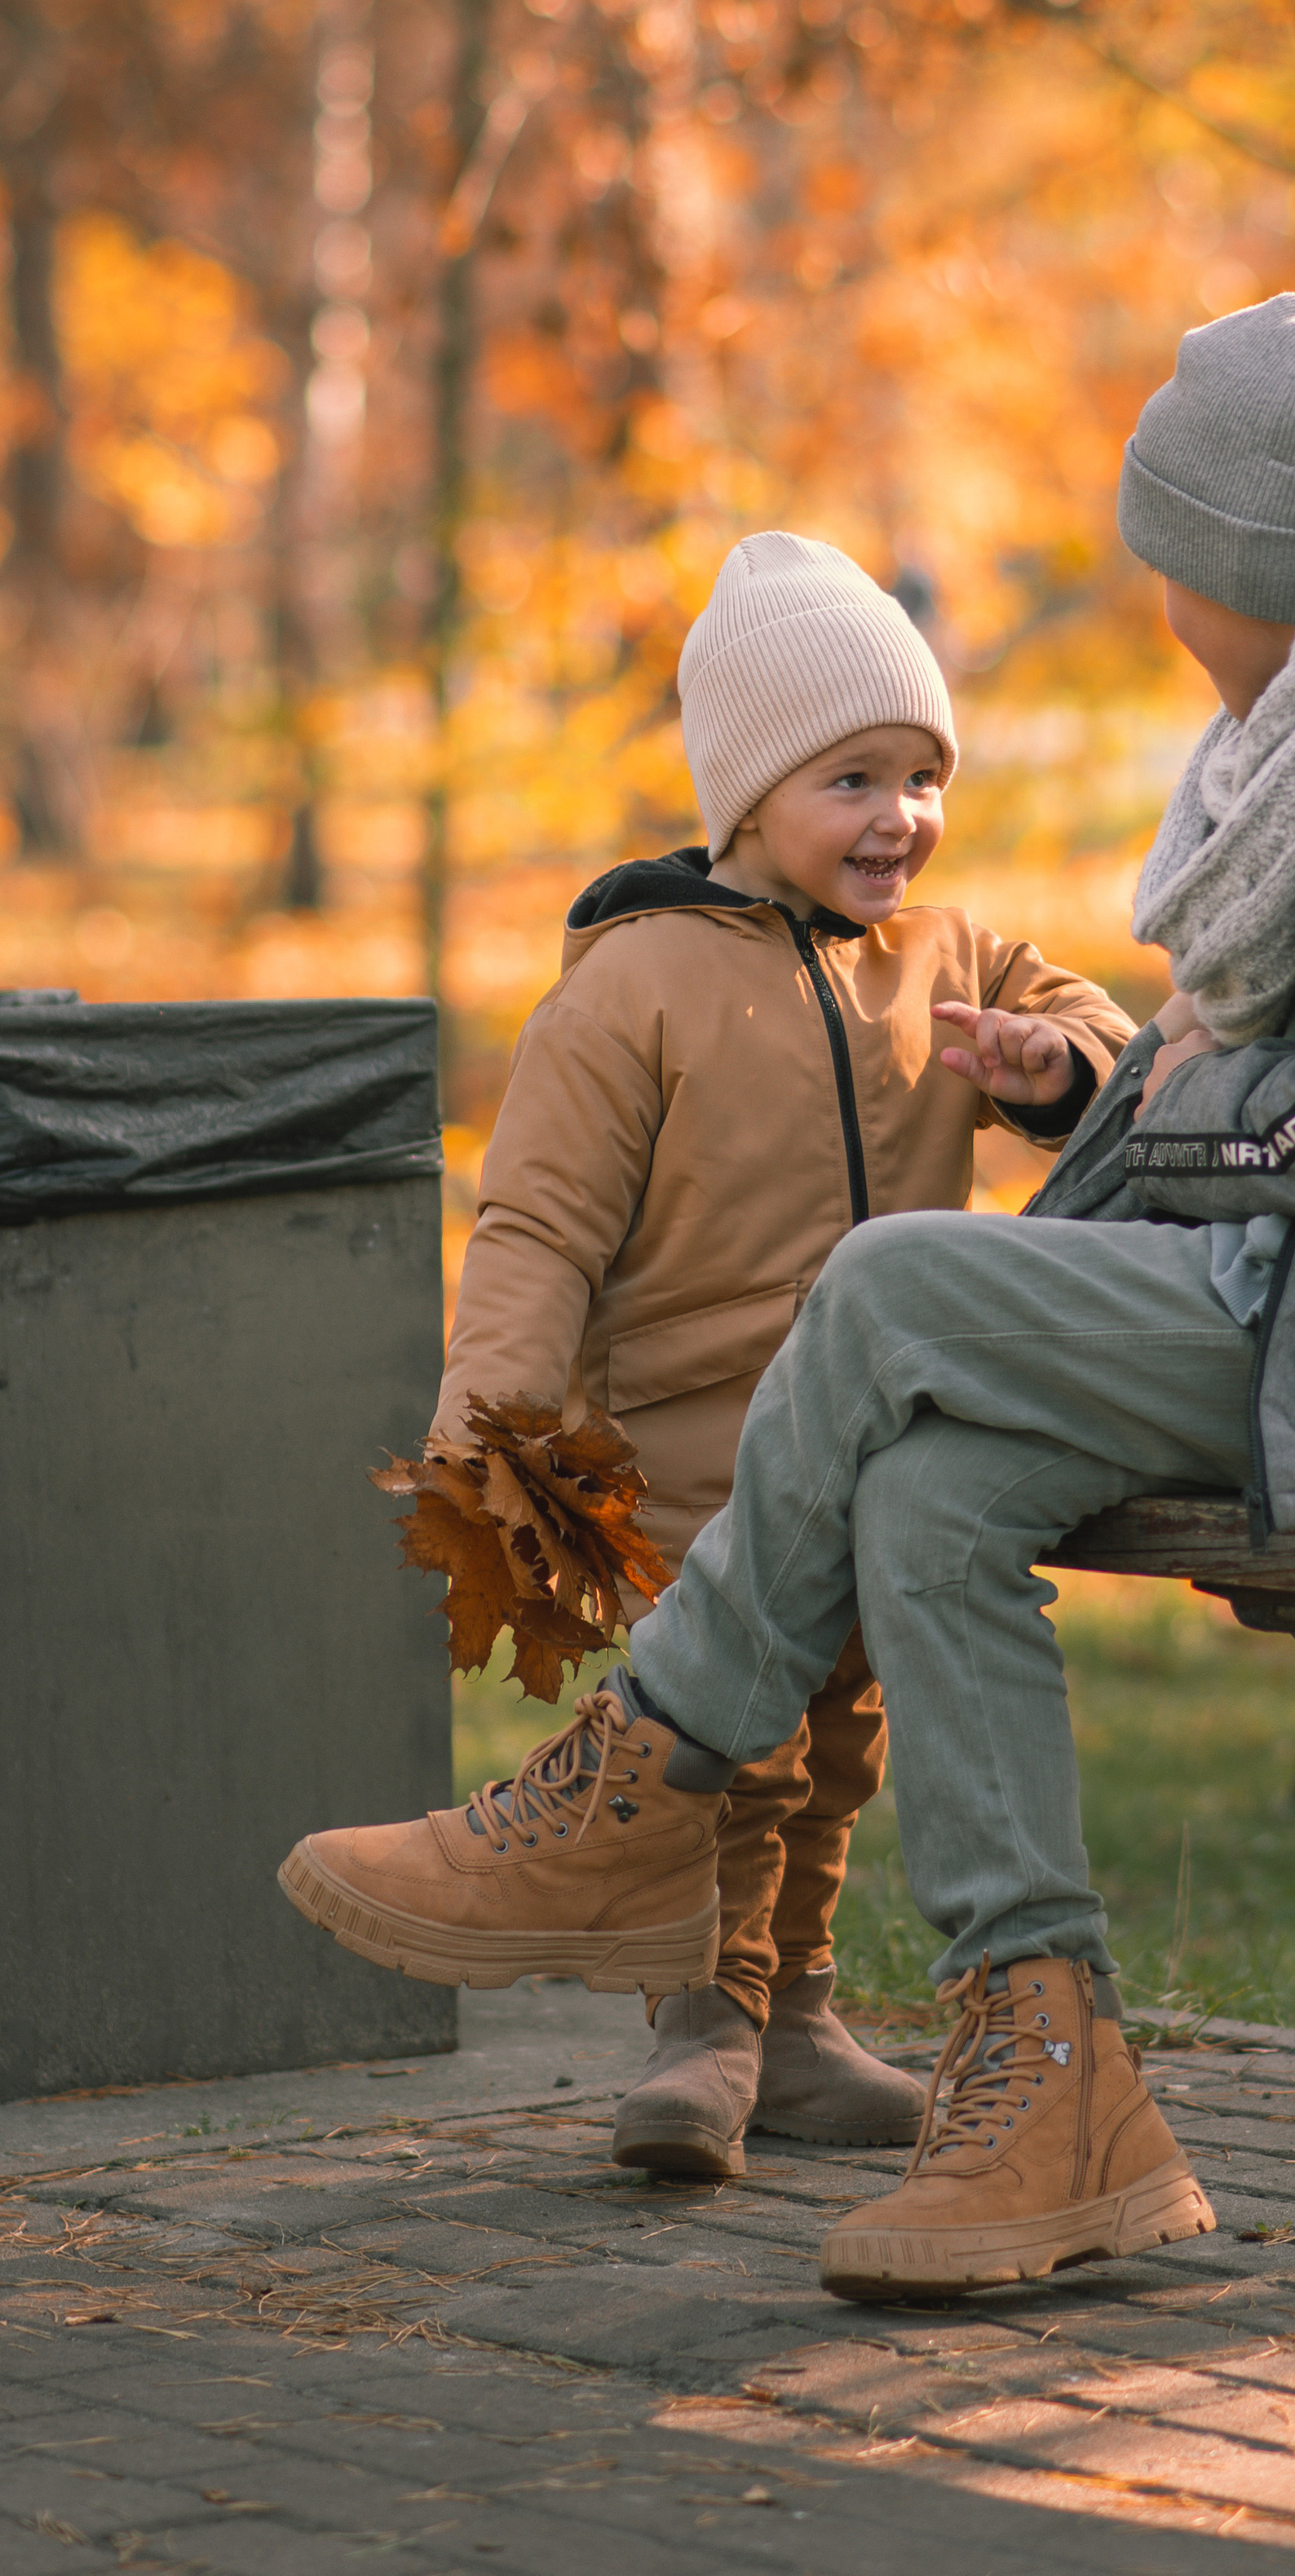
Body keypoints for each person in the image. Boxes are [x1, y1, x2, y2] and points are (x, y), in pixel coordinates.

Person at [287, 293, 1295, 2302]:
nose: (1161, 609)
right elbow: (1292, 1083)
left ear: (1263, 558)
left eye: (1171, 560)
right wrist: (1142, 1095)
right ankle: (1050, 2084)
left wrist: (1163, 1101)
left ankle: (639, 1786)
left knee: (889, 1291)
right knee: (932, 1484)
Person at [285, 530, 1134, 2185]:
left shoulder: (949, 957)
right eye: (852, 780)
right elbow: (538, 1225)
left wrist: (1054, 1064)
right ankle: (704, 2027)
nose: (901, 816)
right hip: (694, 1451)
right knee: (725, 1751)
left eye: (923, 776)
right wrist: (496, 1423)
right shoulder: (638, 984)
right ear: (747, 797)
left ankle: (795, 2017)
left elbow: (1115, 1040)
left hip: (884, 1446)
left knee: (838, 1743)